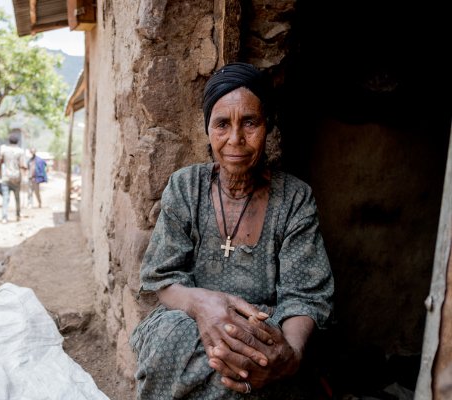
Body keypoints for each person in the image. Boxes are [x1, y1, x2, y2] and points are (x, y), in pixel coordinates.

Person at [129, 62, 334, 399]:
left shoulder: (294, 198)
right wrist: (203, 305)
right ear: (208, 130)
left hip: (260, 328)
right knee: (171, 342)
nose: (236, 139)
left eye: (250, 123)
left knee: (252, 360)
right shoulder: (186, 187)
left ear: (267, 126)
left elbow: (305, 296)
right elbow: (162, 279)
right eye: (222, 124)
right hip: (189, 321)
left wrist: (291, 355)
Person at [0, 131, 26, 223]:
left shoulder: (4, 150)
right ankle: (17, 215)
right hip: (16, 177)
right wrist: (24, 177)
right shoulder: (20, 151)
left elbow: (0, 162)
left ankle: (4, 217)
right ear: (17, 141)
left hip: (6, 177)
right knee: (17, 198)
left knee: (5, 198)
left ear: (9, 141)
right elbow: (22, 165)